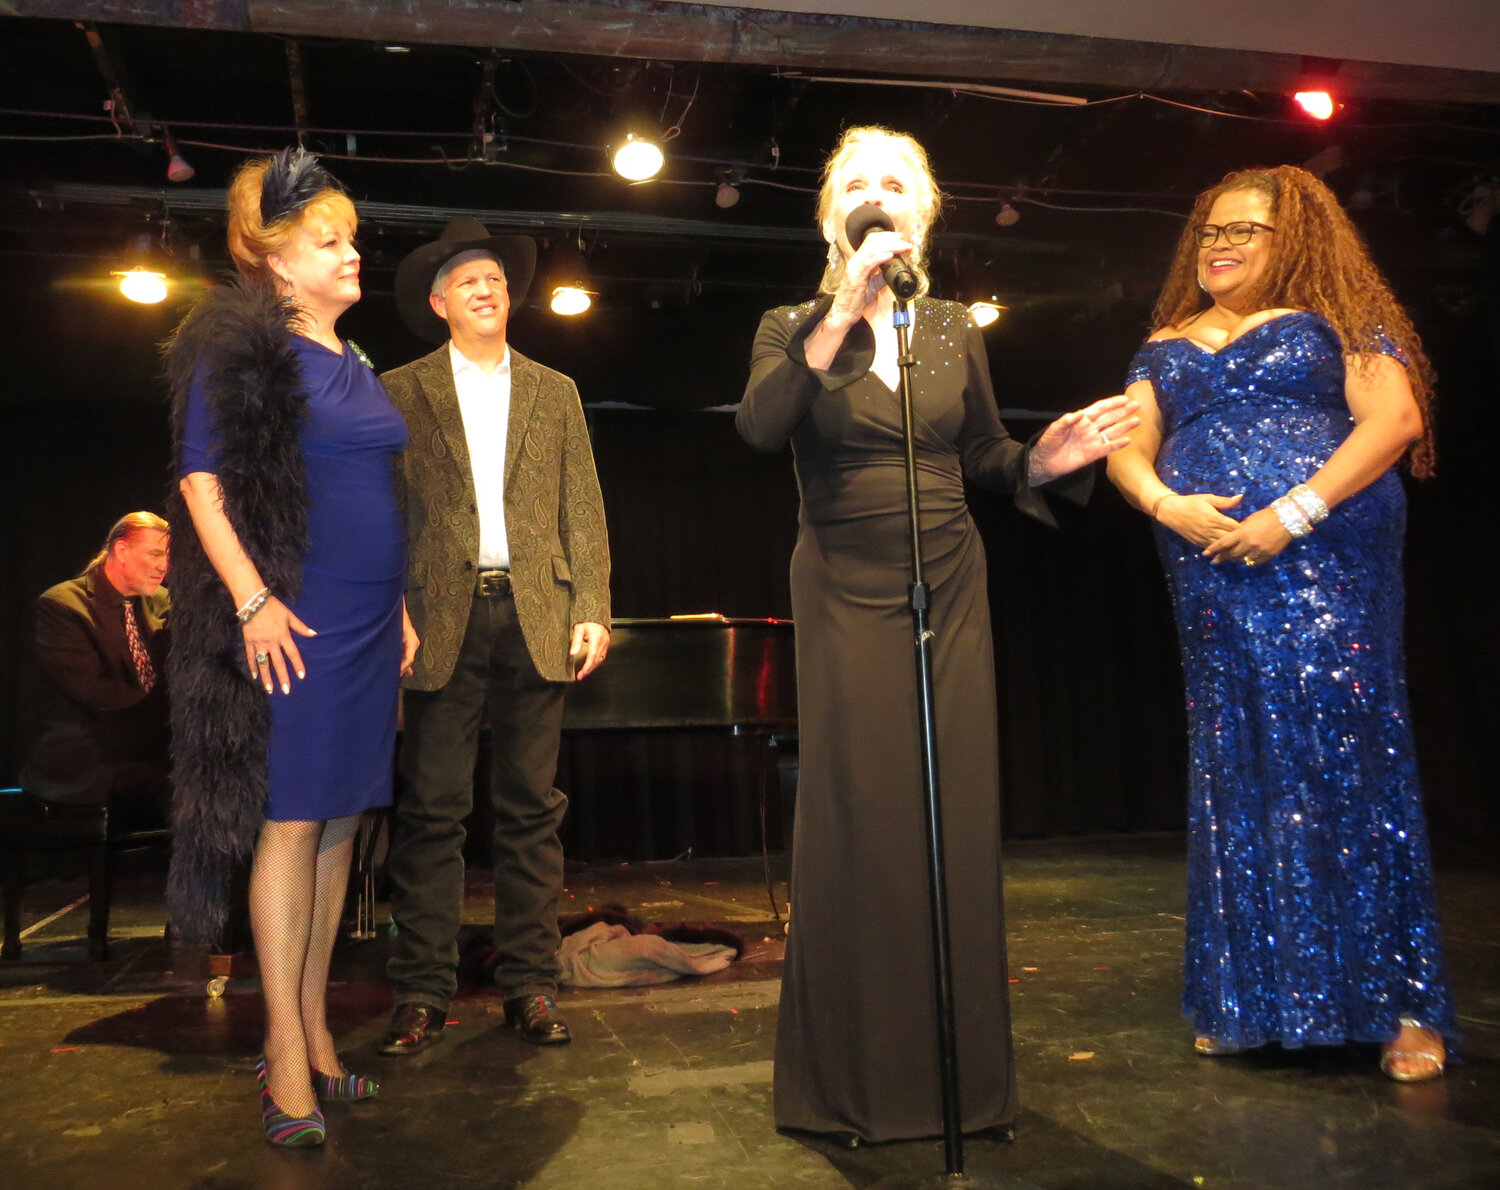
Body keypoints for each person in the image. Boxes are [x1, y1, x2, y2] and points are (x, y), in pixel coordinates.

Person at [737, 125, 1137, 1143]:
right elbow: (761, 422)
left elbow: (986, 454)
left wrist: (1045, 460)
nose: (879, 198)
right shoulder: (794, 320)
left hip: (949, 575)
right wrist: (848, 306)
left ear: (926, 210)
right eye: (859, 186)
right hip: (840, 579)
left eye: (898, 185)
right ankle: (856, 1086)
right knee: (863, 813)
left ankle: (961, 1085)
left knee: (949, 810)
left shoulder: (956, 327)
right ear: (835, 215)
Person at [1105, 165, 1456, 1082]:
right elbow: (1127, 446)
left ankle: (1402, 1006)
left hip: (1326, 550)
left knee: (1347, 752)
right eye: (1210, 231)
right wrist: (1163, 505)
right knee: (1241, 757)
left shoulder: (1337, 315)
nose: (1220, 245)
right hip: (1210, 561)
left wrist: (1292, 514)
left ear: (1292, 239)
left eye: (1244, 231)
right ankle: (1250, 998)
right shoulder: (1166, 341)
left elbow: (1393, 421)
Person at [165, 148, 416, 1146]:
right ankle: (280, 1058)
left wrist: (399, 608)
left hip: (366, 622)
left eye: (351, 238)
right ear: (275, 261)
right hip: (298, 618)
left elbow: (375, 494)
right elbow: (201, 482)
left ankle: (316, 1037)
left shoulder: (353, 359)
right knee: (293, 825)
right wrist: (253, 597)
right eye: (329, 242)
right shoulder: (239, 348)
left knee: (342, 828)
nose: (352, 255)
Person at [378, 217, 611, 1056]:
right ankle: (423, 993)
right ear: (439, 302)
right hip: (437, 616)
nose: (487, 289)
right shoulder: (401, 390)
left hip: (536, 613)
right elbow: (384, 514)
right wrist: (387, 608)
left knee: (530, 814)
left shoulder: (555, 389)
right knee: (433, 813)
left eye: (498, 280)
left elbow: (581, 505)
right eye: (469, 281)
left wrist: (594, 605)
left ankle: (531, 988)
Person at [24, 512, 171, 827]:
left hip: (146, 746)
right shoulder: (63, 605)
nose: (164, 566)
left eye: (169, 557)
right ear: (121, 551)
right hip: (91, 752)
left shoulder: (162, 601)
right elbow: (97, 694)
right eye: (156, 554)